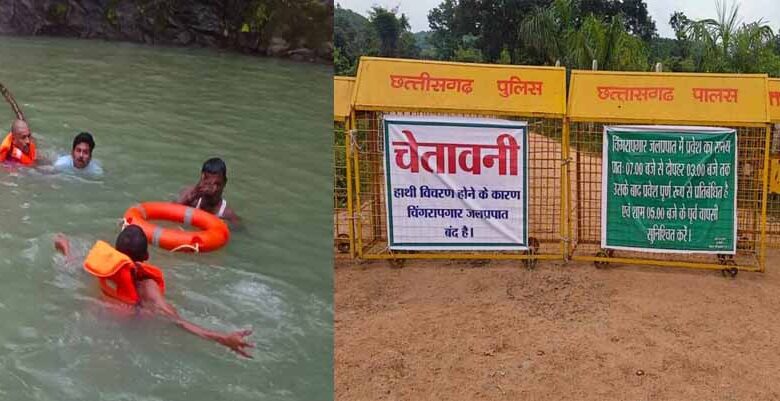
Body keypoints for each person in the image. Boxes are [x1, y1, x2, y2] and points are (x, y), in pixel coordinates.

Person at [53, 225, 254, 358]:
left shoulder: (103, 268)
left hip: (93, 319)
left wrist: (65, 246)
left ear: (115, 251)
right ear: (147, 255)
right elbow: (177, 321)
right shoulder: (147, 286)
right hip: (128, 333)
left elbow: (73, 265)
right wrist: (222, 338)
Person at [177, 158, 240, 224]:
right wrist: (194, 194)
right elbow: (171, 210)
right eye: (209, 184)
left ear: (224, 183)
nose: (214, 189)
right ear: (202, 180)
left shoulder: (226, 214)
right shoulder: (191, 197)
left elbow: (238, 229)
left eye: (218, 184)